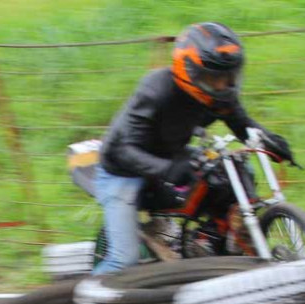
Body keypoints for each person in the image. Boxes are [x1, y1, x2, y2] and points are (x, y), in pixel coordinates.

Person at [92, 22, 294, 274]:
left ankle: (211, 241)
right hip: (121, 170)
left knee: (234, 172)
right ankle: (89, 300)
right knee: (125, 260)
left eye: (228, 76)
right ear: (189, 71)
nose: (223, 85)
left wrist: (269, 141)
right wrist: (167, 168)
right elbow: (123, 149)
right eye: (214, 78)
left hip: (170, 155)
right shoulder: (156, 91)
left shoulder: (218, 95)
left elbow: (241, 125)